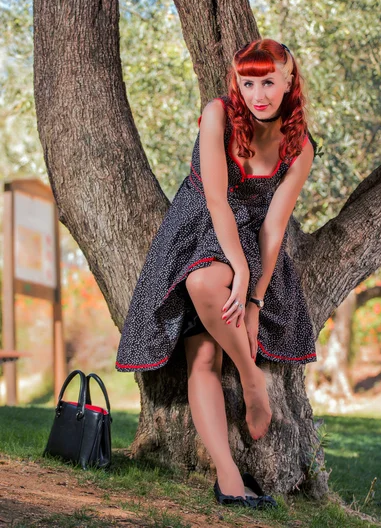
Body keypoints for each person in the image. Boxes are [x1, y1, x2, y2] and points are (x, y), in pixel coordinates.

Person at [116, 38, 318, 508]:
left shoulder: (300, 148)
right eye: (248, 83)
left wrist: (255, 299)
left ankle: (241, 428)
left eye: (268, 81)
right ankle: (235, 452)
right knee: (202, 326)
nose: (258, 94)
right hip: (196, 227)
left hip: (253, 239)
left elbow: (274, 228)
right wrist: (239, 275)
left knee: (209, 330)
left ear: (290, 81)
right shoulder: (218, 115)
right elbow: (215, 199)